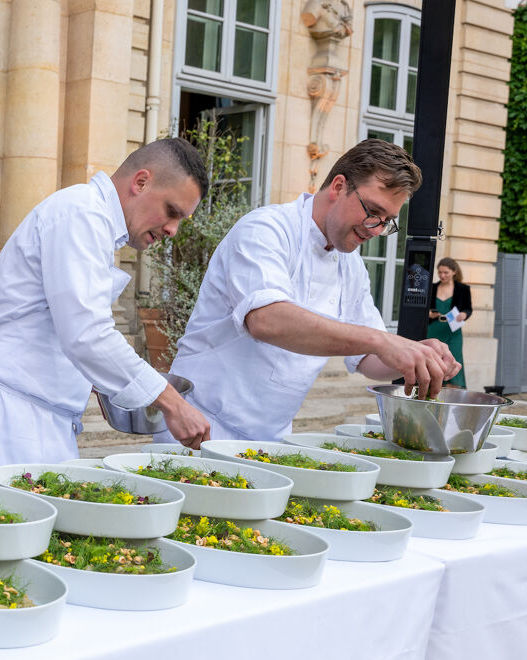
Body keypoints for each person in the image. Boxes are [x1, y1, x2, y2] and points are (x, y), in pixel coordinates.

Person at [0, 137, 213, 468]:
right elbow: (87, 335)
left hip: (36, 417)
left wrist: (91, 378)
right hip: (5, 416)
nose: (173, 230)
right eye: (172, 211)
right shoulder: (81, 213)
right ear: (141, 182)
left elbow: (59, 327)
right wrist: (172, 403)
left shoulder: (97, 223)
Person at [154, 138, 459, 445]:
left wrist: (415, 355)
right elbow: (267, 321)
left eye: (387, 222)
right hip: (197, 423)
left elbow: (367, 359)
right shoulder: (266, 229)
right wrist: (383, 341)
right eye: (373, 211)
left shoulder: (351, 266)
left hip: (271, 438)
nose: (376, 229)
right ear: (339, 187)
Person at [427, 257, 472, 388]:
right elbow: (423, 309)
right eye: (440, 272)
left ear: (454, 272)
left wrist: (464, 314)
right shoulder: (432, 287)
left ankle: (452, 398)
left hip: (453, 331)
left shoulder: (463, 289)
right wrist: (429, 314)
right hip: (434, 330)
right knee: (434, 362)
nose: (442, 275)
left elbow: (468, 308)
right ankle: (433, 393)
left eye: (445, 272)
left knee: (453, 362)